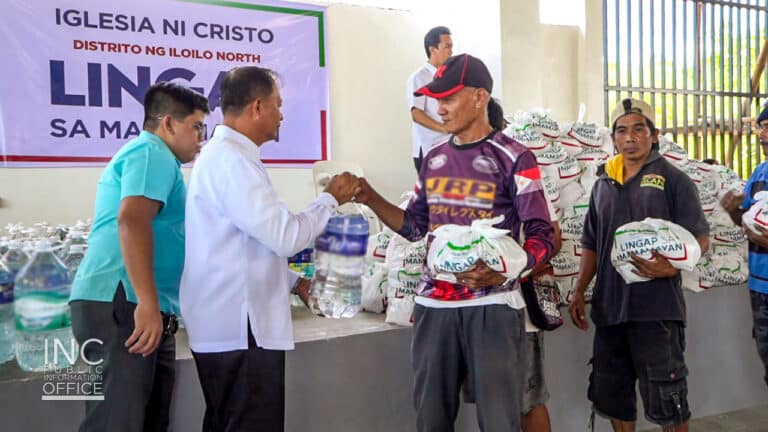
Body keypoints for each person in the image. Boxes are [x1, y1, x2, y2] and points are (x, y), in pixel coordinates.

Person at [357, 53, 555, 431]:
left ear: (480, 97)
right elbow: (415, 227)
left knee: (499, 421)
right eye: (436, 98)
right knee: (431, 420)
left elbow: (543, 235)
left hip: (493, 306)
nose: (439, 108)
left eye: (448, 98)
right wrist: (369, 197)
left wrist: (503, 271)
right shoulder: (433, 159)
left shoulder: (516, 158)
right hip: (434, 306)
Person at [179, 66, 360, 432]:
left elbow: (244, 245)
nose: (282, 115)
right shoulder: (230, 160)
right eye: (278, 105)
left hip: (234, 323)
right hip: (240, 328)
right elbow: (285, 236)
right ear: (257, 107)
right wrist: (329, 199)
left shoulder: (231, 156)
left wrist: (294, 283)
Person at [69, 82, 210, 432]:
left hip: (139, 304)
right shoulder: (152, 153)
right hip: (124, 302)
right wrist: (146, 303)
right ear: (168, 124)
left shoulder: (158, 160)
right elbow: (131, 220)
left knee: (147, 420)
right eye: (196, 127)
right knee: (117, 422)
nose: (201, 138)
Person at [568, 98, 710, 432]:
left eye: (638, 129)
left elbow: (700, 238)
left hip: (656, 311)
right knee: (614, 395)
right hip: (610, 309)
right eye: (622, 130)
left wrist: (673, 267)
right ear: (614, 137)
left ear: (654, 135)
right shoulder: (603, 183)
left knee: (668, 398)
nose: (630, 137)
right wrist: (578, 290)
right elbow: (591, 242)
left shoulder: (674, 180)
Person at [488, 96, 559, 432]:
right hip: (481, 312)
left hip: (519, 311)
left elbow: (551, 237)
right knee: (500, 402)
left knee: (527, 401)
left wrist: (519, 265)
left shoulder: (521, 167)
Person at [721, 103, 768, 389]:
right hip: (761, 288)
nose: (763, 135)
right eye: (762, 127)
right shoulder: (760, 173)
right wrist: (734, 210)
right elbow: (748, 222)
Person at [406, 25, 453, 173]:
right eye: (447, 47)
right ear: (433, 49)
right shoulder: (419, 77)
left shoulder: (449, 76)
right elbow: (416, 114)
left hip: (450, 147)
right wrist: (444, 129)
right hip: (429, 149)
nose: (451, 51)